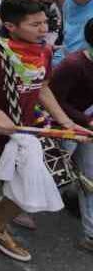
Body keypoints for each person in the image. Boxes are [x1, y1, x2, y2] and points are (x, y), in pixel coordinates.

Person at [0, 0, 88, 262]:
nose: (43, 29)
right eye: (35, 24)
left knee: (29, 183)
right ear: (10, 26)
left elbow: (43, 87)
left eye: (45, 23)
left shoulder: (46, 51)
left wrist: (66, 122)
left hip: (26, 132)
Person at [49, 16, 93, 254]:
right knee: (51, 172)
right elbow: (52, 99)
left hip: (88, 133)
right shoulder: (73, 65)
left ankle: (91, 233)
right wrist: (84, 119)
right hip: (64, 128)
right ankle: (17, 210)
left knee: (91, 179)